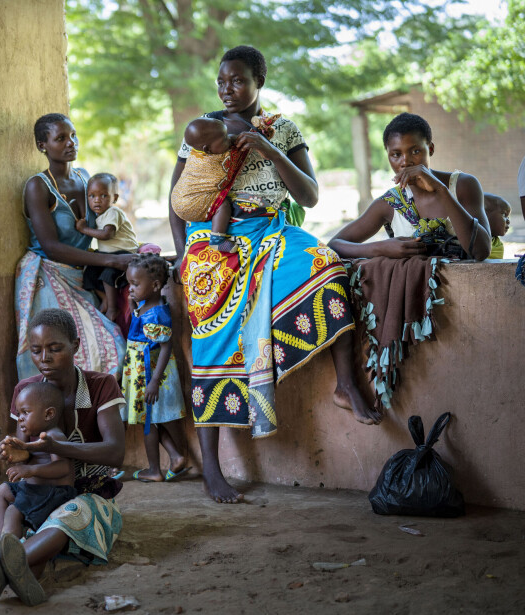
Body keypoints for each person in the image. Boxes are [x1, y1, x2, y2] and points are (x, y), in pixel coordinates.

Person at [167, 46, 382, 504]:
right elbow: (177, 198)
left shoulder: (281, 129)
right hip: (214, 237)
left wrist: (267, 148)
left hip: (270, 229)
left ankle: (345, 383)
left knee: (327, 264)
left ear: (259, 81)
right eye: (222, 81)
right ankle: (212, 466)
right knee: (214, 338)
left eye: (238, 80)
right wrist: (186, 254)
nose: (228, 89)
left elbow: (309, 196)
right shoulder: (202, 127)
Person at [0, 308, 126, 606]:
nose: (44, 358)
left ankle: (5, 564)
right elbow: (22, 452)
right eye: (36, 350)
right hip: (43, 491)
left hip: (87, 492)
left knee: (71, 516)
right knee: (23, 510)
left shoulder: (100, 386)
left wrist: (55, 448)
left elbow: (115, 453)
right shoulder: (27, 392)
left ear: (75, 345)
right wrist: (14, 453)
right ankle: (22, 568)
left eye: (55, 348)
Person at [16, 114, 133, 381]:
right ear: (41, 145)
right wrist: (112, 262)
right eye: (61, 138)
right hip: (50, 275)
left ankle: (93, 419)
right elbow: (52, 246)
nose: (71, 143)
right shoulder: (38, 186)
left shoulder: (86, 179)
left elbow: (106, 228)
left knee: (108, 345)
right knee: (77, 355)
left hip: (84, 275)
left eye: (73, 135)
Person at [328, 113, 491, 262]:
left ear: (431, 149)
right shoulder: (391, 203)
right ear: (388, 156)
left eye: (415, 151)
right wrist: (381, 248)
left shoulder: (462, 185)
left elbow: (481, 251)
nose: (405, 162)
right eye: (396, 154)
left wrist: (440, 190)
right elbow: (334, 245)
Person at [0, 382, 78, 600]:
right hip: (34, 491)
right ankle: (6, 543)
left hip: (51, 494)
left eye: (25, 413)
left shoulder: (53, 436)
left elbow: (63, 467)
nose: (21, 419)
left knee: (13, 512)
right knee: (3, 490)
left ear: (49, 414)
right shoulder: (36, 437)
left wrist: (30, 469)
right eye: (19, 413)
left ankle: (6, 551)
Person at [121, 254, 189, 482]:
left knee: (147, 422)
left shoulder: (155, 314)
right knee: (152, 420)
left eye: (135, 284)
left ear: (156, 285)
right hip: (144, 371)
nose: (130, 289)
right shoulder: (148, 305)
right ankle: (176, 456)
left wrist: (153, 382)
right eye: (129, 283)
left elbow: (165, 347)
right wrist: (134, 305)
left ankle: (154, 470)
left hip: (149, 373)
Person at [171, 116, 251, 253]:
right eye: (225, 138)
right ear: (207, 149)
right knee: (223, 205)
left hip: (179, 196)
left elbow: (225, 142)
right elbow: (224, 179)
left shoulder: (197, 151)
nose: (229, 138)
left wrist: (228, 139)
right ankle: (217, 240)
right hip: (189, 204)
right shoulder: (212, 164)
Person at [76, 173, 141, 321]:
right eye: (92, 196)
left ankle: (113, 308)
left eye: (103, 196)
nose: (97, 200)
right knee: (89, 272)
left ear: (115, 198)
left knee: (108, 275)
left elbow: (107, 234)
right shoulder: (98, 215)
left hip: (123, 253)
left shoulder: (113, 212)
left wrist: (84, 229)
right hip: (109, 254)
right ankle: (105, 298)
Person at [483, 193, 510, 259]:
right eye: (504, 215)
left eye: (508, 217)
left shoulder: (497, 243)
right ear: (484, 216)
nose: (508, 221)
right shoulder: (476, 241)